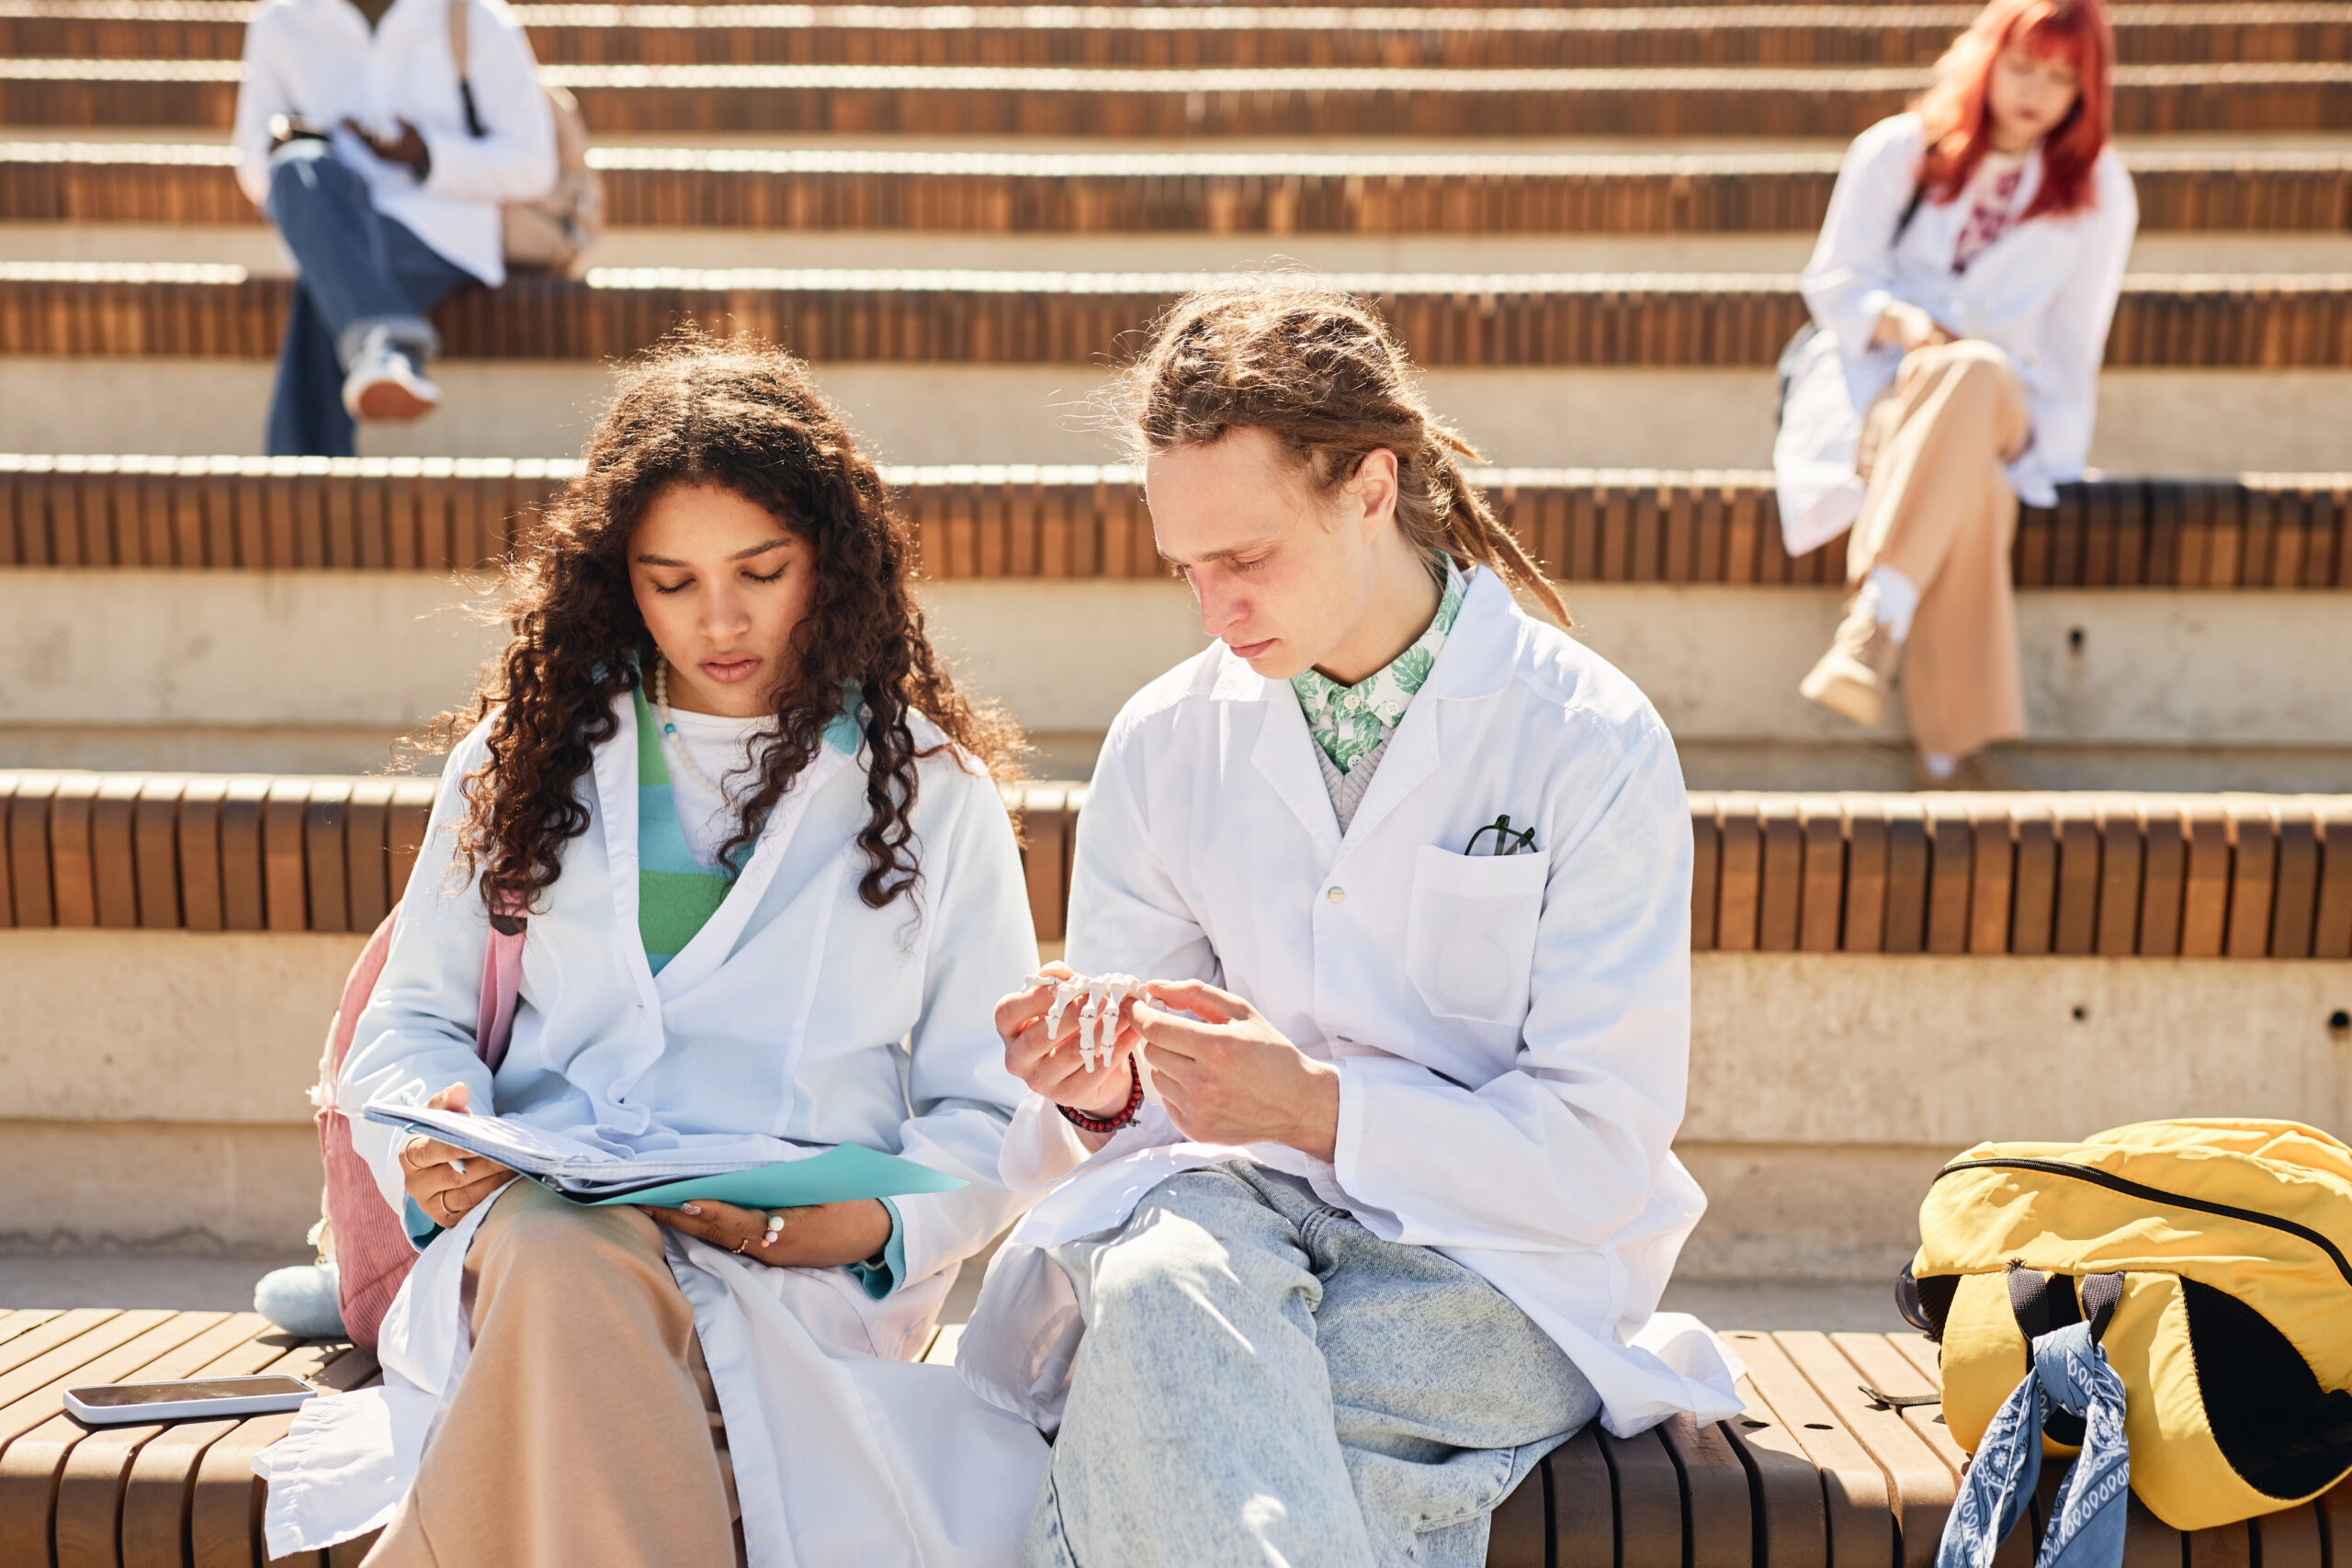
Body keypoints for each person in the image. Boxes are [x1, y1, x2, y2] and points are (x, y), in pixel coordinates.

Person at [953, 282, 1742, 1568]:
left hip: (1493, 1265)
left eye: (1248, 557)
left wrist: (1318, 1108)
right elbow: (1138, 1133)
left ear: (1370, 489)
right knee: (1166, 1297)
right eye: (1187, 566)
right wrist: (1101, 1093)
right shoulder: (1164, 741)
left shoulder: (1587, 739)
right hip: (1222, 1227)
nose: (1215, 608)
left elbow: (1600, 1148)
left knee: (1159, 1400)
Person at [253, 337, 1050, 1567]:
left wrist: (852, 1228)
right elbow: (408, 1024)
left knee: (565, 1295)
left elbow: (988, 1104)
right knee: (569, 1250)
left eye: (760, 571)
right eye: (670, 580)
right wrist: (429, 1122)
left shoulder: (931, 791)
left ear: (828, 566)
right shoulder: (521, 759)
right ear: (618, 579)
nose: (718, 619)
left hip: (798, 1274)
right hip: (531, 1224)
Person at [1773, 0, 2135, 790]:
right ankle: (1947, 758)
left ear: (2087, 89)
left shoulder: (2098, 189)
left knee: (1971, 372)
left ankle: (1876, 623)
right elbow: (1836, 282)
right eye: (2022, 66)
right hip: (1882, 390)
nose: (2037, 90)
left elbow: (2077, 335)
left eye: (2061, 76)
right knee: (1970, 483)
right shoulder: (1896, 151)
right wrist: (1896, 320)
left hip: (2006, 396)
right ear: (1985, 59)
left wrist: (2052, 458)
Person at [232, 0, 558, 457]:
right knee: (294, 167)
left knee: (329, 284)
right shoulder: (281, 21)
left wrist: (426, 153)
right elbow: (253, 164)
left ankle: (296, 501)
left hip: (441, 232)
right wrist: (312, 153)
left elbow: (534, 165)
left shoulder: (474, 16)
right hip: (333, 223)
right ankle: (383, 350)